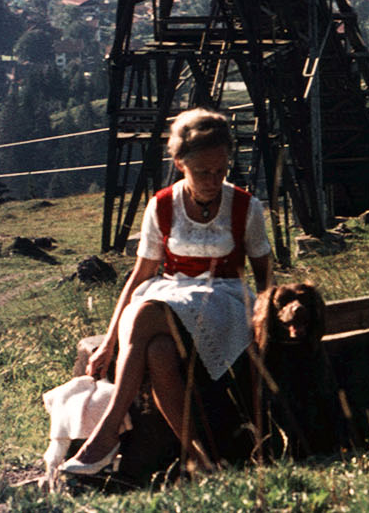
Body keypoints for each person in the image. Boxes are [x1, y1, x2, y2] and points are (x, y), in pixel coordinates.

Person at [62, 107, 272, 475]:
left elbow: (265, 275)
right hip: (171, 298)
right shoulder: (162, 205)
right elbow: (140, 275)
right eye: (203, 171)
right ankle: (199, 458)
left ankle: (106, 435)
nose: (213, 178)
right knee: (157, 348)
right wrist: (109, 342)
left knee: (146, 312)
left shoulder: (245, 206)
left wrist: (267, 326)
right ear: (179, 164)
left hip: (226, 302)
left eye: (221, 170)